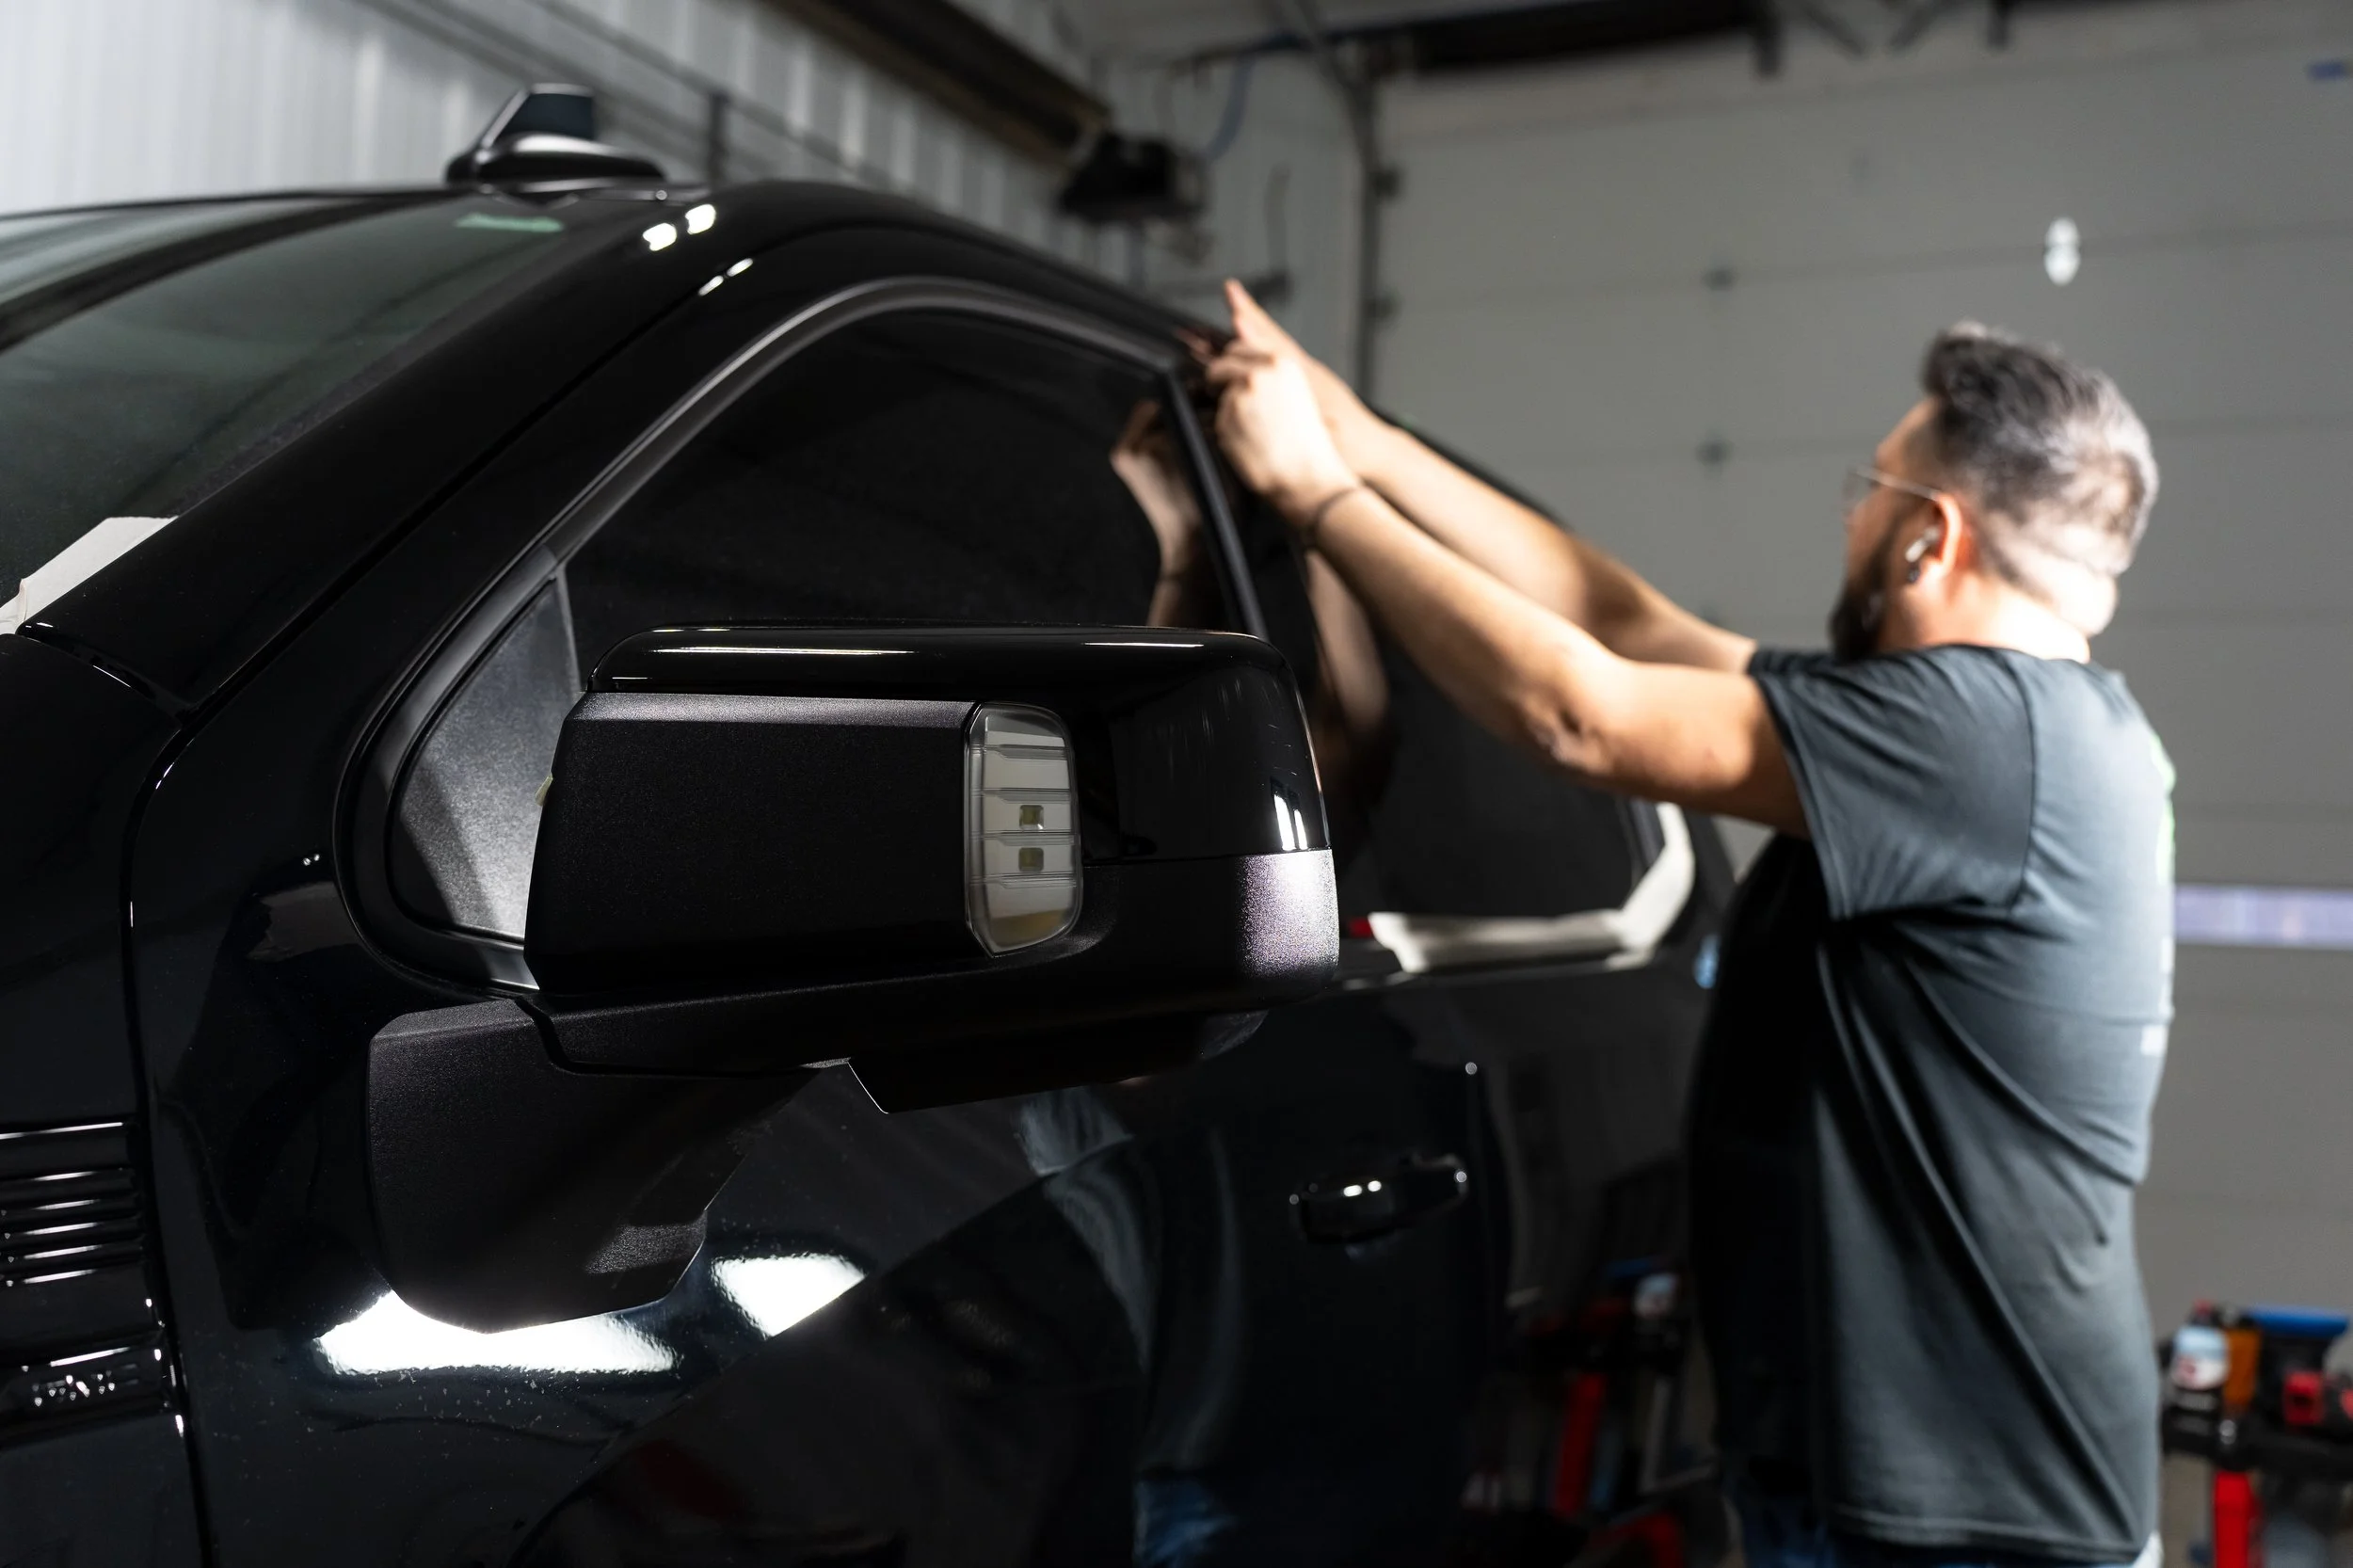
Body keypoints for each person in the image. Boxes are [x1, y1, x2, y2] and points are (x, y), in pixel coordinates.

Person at [1204, 281, 2174, 1568]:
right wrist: (1357, 437)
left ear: (1927, 541)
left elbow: (1582, 715)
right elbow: (1628, 623)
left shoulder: (1985, 742)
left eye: (1866, 492)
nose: (1853, 516)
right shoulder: (2017, 723)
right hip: (1911, 1484)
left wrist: (1318, 499)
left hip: (1972, 1518)